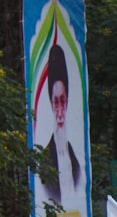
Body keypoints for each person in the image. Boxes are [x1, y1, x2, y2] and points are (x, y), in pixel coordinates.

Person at [42, 44, 81, 203]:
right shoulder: (44, 159)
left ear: (67, 102)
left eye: (62, 100)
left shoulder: (76, 162)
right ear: (51, 103)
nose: (59, 110)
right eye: (55, 102)